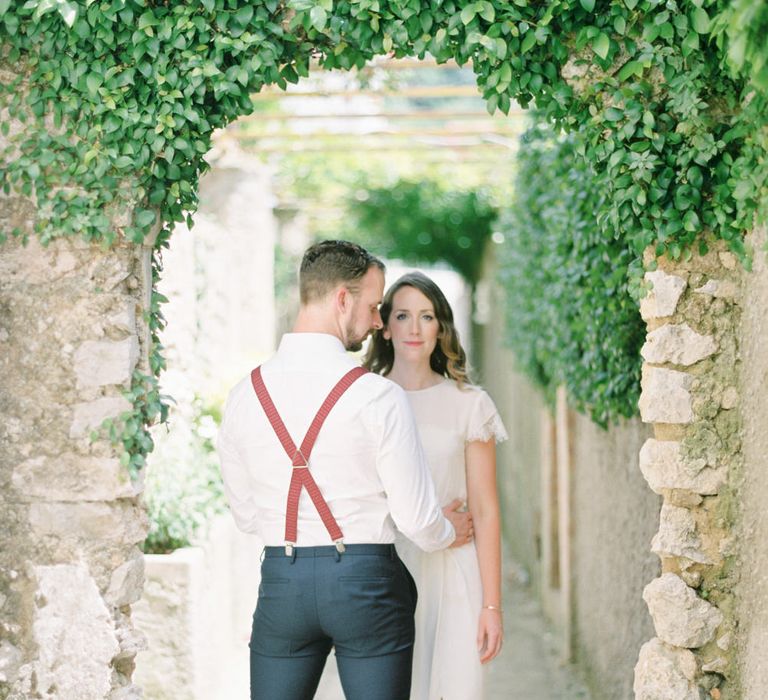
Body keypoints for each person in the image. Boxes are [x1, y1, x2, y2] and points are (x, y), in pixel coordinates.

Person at [217, 241, 473, 700]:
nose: (378, 321)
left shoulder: (244, 395)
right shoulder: (378, 396)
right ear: (342, 299)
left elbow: (247, 516)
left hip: (282, 580)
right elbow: (417, 521)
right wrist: (447, 531)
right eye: (374, 306)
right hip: (366, 582)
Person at [364, 271, 507, 700]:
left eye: (426, 317)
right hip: (388, 570)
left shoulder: (469, 404)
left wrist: (492, 606)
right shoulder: (364, 400)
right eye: (403, 315)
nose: (413, 328)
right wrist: (429, 524)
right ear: (385, 326)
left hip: (455, 574)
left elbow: (485, 511)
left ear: (440, 327)